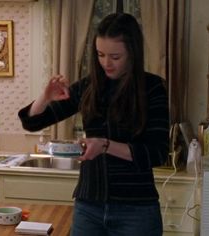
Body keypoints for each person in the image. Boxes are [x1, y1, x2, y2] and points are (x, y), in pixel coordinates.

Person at [18, 13, 169, 236]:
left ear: (132, 53)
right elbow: (32, 122)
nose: (106, 63)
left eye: (115, 56)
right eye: (100, 54)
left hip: (136, 209)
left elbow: (157, 153)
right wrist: (45, 97)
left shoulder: (152, 88)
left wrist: (106, 145)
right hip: (88, 207)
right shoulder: (88, 86)